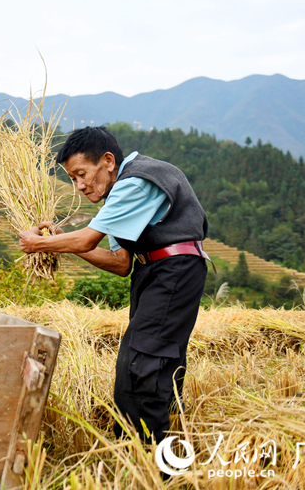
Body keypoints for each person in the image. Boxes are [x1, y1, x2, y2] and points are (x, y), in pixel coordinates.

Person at [18, 126, 210, 443]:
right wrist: (60, 242)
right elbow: (120, 262)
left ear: (107, 161)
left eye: (82, 174)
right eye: (72, 179)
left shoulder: (135, 181)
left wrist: (40, 244)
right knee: (149, 361)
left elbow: (84, 240)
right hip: (153, 272)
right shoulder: (117, 197)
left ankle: (147, 458)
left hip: (174, 268)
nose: (79, 186)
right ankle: (160, 445)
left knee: (143, 363)